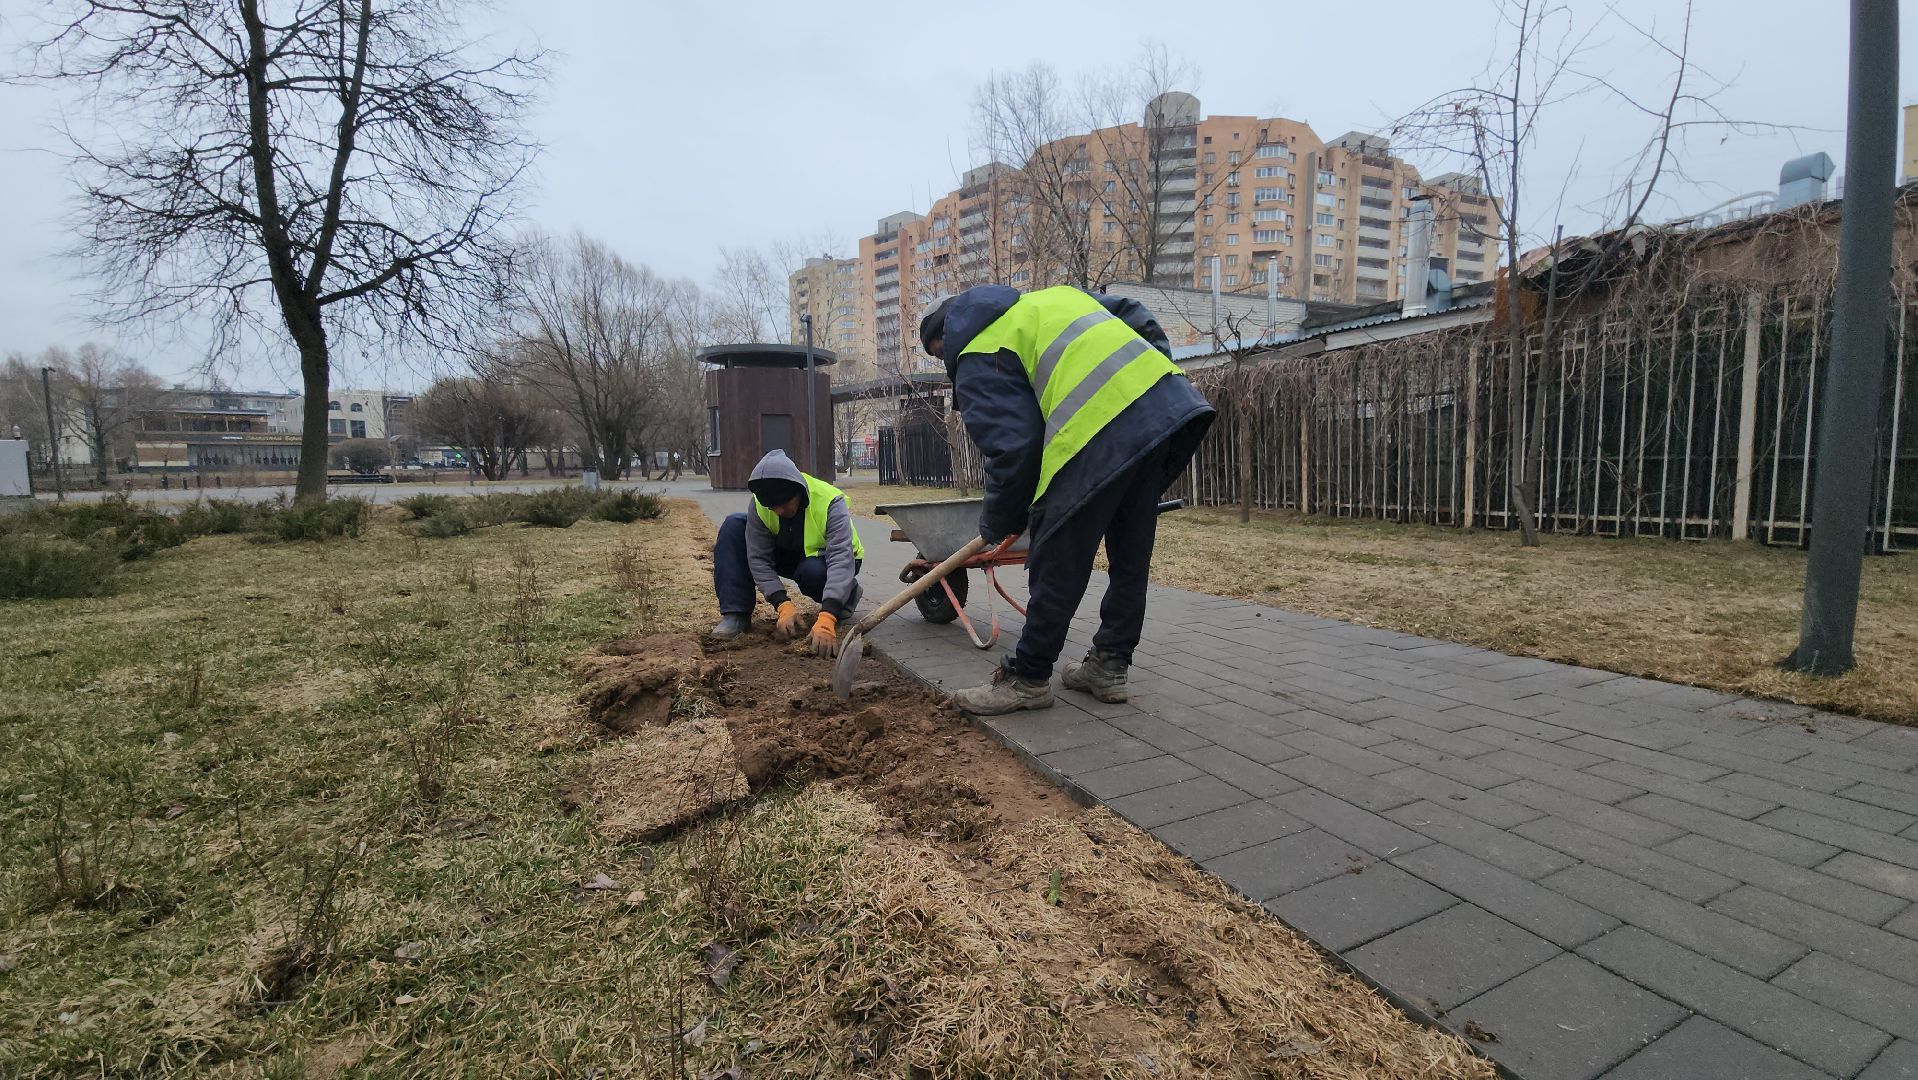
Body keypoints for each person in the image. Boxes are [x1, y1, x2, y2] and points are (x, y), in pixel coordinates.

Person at [920, 285, 1214, 715]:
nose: (944, 358)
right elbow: (1134, 313)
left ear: (948, 329)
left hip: (1095, 432)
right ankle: (1110, 665)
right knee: (1130, 556)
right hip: (1162, 412)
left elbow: (1013, 449)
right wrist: (1149, 380)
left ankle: (1029, 678)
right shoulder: (1053, 299)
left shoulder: (978, 350)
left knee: (1057, 557)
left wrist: (1001, 521)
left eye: (937, 349)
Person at [710, 449, 864, 657]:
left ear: (798, 492)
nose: (778, 511)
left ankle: (846, 594)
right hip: (791, 554)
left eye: (783, 504)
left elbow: (839, 558)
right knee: (734, 526)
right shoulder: (760, 504)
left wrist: (828, 616)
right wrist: (781, 603)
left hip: (836, 561)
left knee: (812, 573)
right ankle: (735, 614)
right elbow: (758, 558)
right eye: (772, 507)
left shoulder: (829, 501)